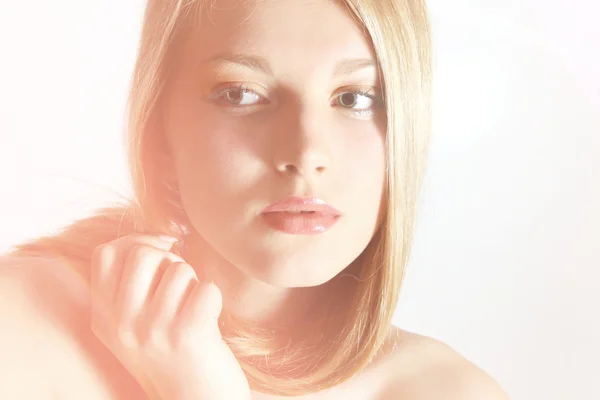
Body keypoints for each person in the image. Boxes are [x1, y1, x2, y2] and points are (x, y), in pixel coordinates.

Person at [0, 0, 510, 398]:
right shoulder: (22, 324)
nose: (305, 153)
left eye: (354, 98)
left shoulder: (448, 392)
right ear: (160, 132)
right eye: (241, 93)